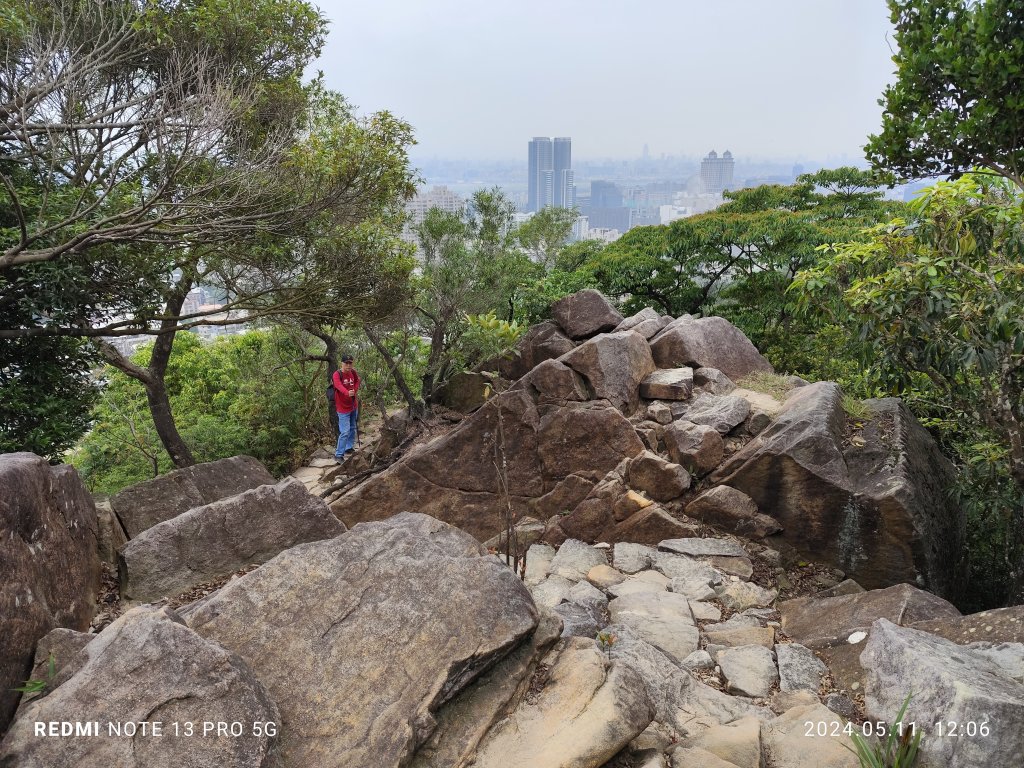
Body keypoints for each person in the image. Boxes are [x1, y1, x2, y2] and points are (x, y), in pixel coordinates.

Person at [333, 354, 360, 461]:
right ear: (342, 363)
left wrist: (355, 389)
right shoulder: (337, 374)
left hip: (353, 405)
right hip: (342, 408)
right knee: (345, 431)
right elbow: (338, 385)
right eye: (346, 363)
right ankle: (338, 455)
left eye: (350, 363)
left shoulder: (353, 372)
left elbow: (357, 381)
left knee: (353, 427)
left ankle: (348, 447)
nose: (348, 365)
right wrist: (347, 392)